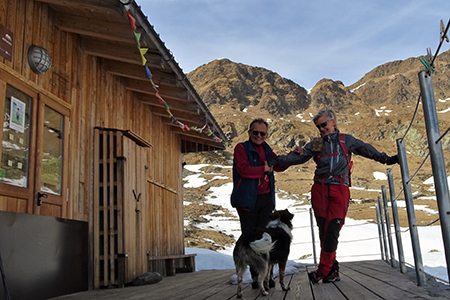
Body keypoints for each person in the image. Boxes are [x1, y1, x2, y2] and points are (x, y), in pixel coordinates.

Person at [269, 108, 398, 284]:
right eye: (318, 127)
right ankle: (333, 271)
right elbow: (299, 158)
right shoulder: (317, 143)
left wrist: (387, 159)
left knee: (332, 229)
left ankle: (322, 271)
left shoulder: (347, 140)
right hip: (319, 190)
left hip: (339, 189)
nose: (321, 129)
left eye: (324, 125)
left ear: (333, 122)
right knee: (324, 231)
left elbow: (367, 150)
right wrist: (274, 161)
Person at [230, 118, 289, 287]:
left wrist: (295, 155)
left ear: (266, 135)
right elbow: (244, 170)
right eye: (255, 132)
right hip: (247, 200)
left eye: (262, 133)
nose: (258, 136)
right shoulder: (241, 148)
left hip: (266, 200)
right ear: (249, 132)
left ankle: (266, 276)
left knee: (265, 238)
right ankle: (256, 277)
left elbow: (278, 165)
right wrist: (263, 169)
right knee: (250, 238)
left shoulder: (267, 149)